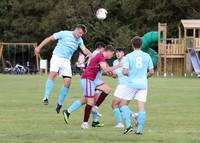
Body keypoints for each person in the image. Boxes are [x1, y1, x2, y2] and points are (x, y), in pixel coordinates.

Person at [34, 24, 91, 113]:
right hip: (57, 57)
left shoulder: (79, 40)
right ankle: (46, 97)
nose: (80, 35)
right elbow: (49, 39)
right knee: (53, 74)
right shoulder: (64, 33)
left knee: (68, 82)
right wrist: (39, 47)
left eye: (82, 34)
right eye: (80, 33)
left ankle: (59, 103)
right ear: (76, 29)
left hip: (66, 61)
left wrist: (89, 53)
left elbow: (84, 49)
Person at [62, 45, 115, 129]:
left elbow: (105, 69)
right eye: (112, 54)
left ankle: (95, 108)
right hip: (88, 79)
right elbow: (106, 69)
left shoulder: (101, 57)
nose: (112, 56)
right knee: (89, 101)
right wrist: (119, 66)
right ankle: (85, 123)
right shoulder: (100, 55)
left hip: (94, 79)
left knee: (107, 89)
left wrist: (112, 74)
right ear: (108, 51)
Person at [119, 36, 154, 135]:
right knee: (141, 107)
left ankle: (129, 127)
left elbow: (125, 72)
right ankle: (139, 131)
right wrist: (144, 77)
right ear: (141, 45)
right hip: (143, 84)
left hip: (132, 84)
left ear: (132, 45)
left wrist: (128, 73)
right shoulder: (147, 56)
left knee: (122, 104)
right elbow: (151, 72)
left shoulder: (129, 56)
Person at [111, 48, 138, 129]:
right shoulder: (115, 62)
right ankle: (134, 115)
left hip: (126, 85)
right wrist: (112, 74)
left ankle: (120, 123)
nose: (118, 54)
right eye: (116, 52)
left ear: (123, 53)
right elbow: (115, 75)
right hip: (120, 85)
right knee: (120, 106)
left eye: (119, 52)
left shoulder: (127, 60)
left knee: (114, 105)